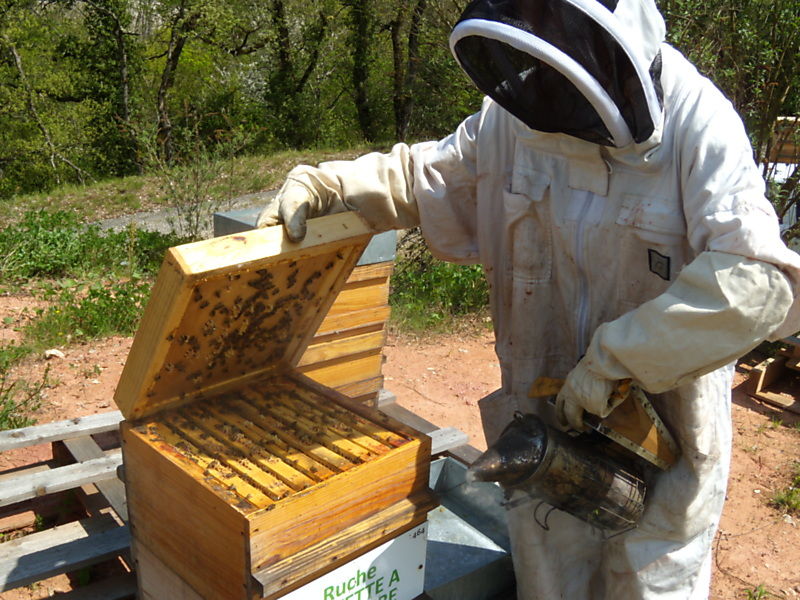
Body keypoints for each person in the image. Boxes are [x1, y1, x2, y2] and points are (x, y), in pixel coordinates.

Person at [257, 0, 800, 597]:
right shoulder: (516, 117)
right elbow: (430, 177)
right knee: (549, 576)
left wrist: (618, 361)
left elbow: (760, 280)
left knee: (648, 584)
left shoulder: (697, 122)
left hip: (662, 440)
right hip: (543, 427)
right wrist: (333, 184)